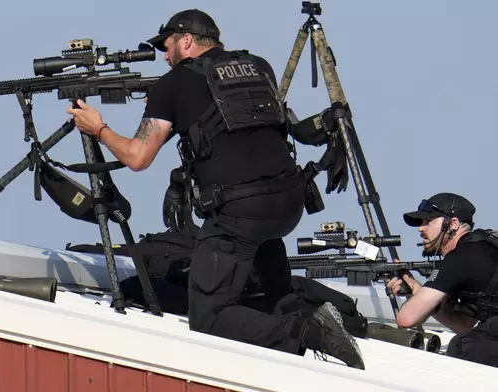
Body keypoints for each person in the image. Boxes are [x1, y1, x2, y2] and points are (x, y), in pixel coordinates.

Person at [66, 9, 365, 369]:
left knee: (208, 318)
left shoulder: (172, 84)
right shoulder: (258, 66)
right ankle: (299, 333)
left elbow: (137, 156)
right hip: (288, 201)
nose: (164, 55)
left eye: (168, 45)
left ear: (187, 41)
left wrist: (98, 128)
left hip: (241, 211)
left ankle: (311, 332)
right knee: (275, 295)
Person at [387, 192, 498, 367]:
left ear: (453, 224)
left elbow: (406, 319)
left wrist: (418, 298)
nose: (420, 229)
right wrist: (419, 292)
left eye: (428, 221)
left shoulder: (461, 257)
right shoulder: (482, 246)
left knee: (464, 347)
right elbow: (465, 325)